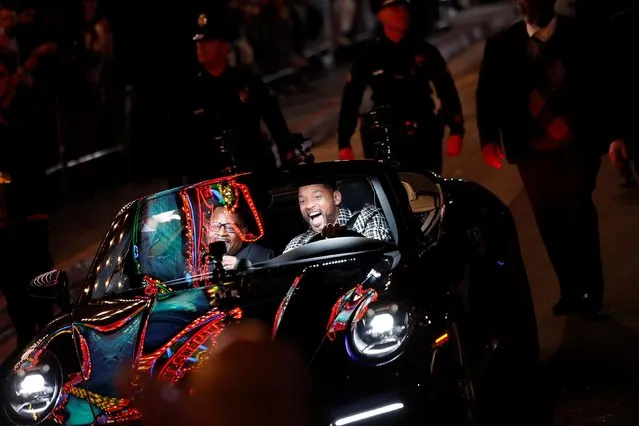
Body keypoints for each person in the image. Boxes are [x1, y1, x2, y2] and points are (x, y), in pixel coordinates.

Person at [476, 0, 611, 316]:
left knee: (578, 210)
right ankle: (570, 288)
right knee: (549, 218)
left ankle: (591, 288)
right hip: (532, 149)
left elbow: (601, 84)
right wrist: (488, 140)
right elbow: (488, 94)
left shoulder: (578, 34)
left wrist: (613, 131)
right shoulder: (502, 44)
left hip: (576, 143)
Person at [169, 5, 297, 186]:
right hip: (209, 178)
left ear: (224, 46)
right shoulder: (189, 91)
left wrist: (288, 160)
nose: (200, 47)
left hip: (251, 172)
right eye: (198, 42)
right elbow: (179, 142)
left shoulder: (247, 82)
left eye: (207, 42)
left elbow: (275, 122)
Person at [337, 0, 464, 175]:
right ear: (380, 14)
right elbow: (351, 99)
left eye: (404, 7)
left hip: (423, 134)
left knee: (428, 190)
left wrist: (456, 130)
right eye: (394, 8)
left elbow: (447, 90)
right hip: (386, 138)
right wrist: (344, 142)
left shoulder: (424, 51)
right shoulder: (369, 56)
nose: (402, 13)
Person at [284, 182, 393, 252]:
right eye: (302, 201)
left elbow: (378, 255)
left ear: (336, 198)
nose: (308, 205)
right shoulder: (297, 243)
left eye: (317, 197)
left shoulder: (367, 218)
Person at [209, 206, 274, 270]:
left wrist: (242, 267)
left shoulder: (262, 255)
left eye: (230, 228)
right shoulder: (204, 260)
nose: (221, 233)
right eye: (215, 226)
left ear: (243, 232)